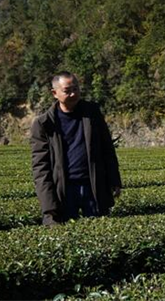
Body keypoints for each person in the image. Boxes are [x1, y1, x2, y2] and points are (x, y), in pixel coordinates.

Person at [31, 71, 122, 226]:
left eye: (76, 89)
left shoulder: (92, 114)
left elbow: (107, 149)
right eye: (67, 91)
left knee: (99, 234)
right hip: (64, 190)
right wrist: (48, 206)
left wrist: (114, 180)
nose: (73, 94)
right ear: (55, 93)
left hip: (93, 187)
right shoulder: (44, 124)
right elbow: (40, 167)